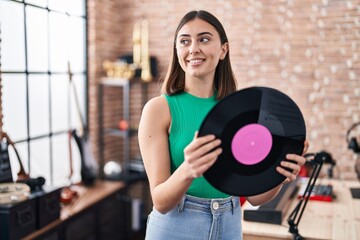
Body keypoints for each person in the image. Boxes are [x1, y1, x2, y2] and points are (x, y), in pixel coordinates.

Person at [138, 10, 308, 240]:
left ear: (223, 50)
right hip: (175, 227)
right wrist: (189, 169)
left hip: (230, 224)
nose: (193, 48)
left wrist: (280, 172)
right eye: (184, 41)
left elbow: (255, 197)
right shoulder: (158, 109)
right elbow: (160, 201)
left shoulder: (243, 111)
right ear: (177, 51)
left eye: (204, 39)